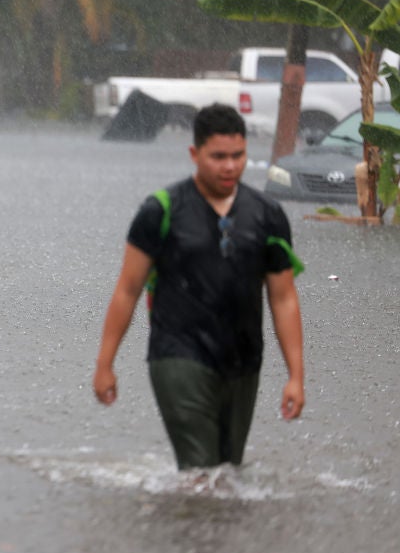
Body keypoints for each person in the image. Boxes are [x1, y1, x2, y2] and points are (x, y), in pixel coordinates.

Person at [91, 103, 305, 471]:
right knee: (200, 468)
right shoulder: (161, 211)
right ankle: (189, 527)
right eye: (218, 157)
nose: (229, 166)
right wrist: (105, 364)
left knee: (227, 473)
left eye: (237, 156)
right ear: (195, 154)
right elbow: (128, 289)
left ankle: (196, 526)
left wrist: (296, 376)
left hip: (243, 360)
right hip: (178, 356)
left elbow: (283, 298)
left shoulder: (267, 215)